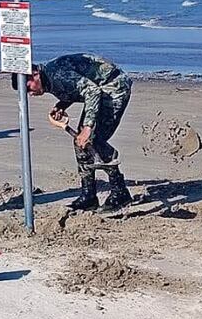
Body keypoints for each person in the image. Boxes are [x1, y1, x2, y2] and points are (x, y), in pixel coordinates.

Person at [14, 53, 133, 212]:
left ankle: (120, 192)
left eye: (28, 88)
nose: (30, 94)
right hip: (101, 88)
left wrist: (88, 127)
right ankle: (88, 195)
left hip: (114, 86)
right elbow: (76, 87)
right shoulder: (49, 78)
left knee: (94, 140)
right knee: (80, 142)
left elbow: (92, 91)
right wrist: (61, 105)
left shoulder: (56, 74)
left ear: (34, 74)